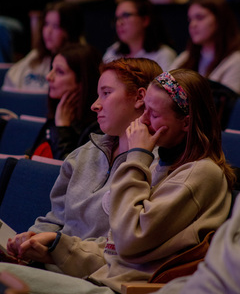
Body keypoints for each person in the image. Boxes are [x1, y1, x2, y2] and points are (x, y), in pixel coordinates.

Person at [3, 69, 235, 294]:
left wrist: (136, 157)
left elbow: (129, 240)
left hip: (124, 289)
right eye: (144, 109)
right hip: (98, 279)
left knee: (5, 277)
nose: (142, 121)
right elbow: (113, 249)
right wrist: (56, 246)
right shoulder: (160, 166)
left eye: (153, 114)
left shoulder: (202, 174)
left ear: (186, 123)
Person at [7, 58, 162, 252]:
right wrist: (31, 238)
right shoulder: (84, 153)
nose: (95, 105)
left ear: (140, 97)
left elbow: (123, 246)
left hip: (94, 274)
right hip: (54, 259)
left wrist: (56, 247)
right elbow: (56, 219)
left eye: (106, 93)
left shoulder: (159, 166)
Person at [24, 42, 102, 160]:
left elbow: (69, 173)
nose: (49, 77)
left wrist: (63, 128)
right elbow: (31, 158)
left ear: (83, 82)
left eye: (60, 72)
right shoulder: (56, 114)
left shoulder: (97, 130)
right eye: (52, 69)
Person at [2, 1, 85, 92]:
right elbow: (9, 83)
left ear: (70, 30)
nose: (48, 32)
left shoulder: (79, 60)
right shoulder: (36, 55)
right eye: (46, 24)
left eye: (56, 26)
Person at [170, 0, 240, 94]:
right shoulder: (186, 57)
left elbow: (228, 105)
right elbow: (164, 88)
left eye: (200, 18)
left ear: (220, 20)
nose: (192, 25)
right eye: (190, 19)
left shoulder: (235, 60)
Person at [102, 0, 177, 70]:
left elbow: (169, 82)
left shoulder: (163, 55)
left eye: (126, 15)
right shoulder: (113, 52)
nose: (119, 23)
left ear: (145, 20)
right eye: (117, 18)